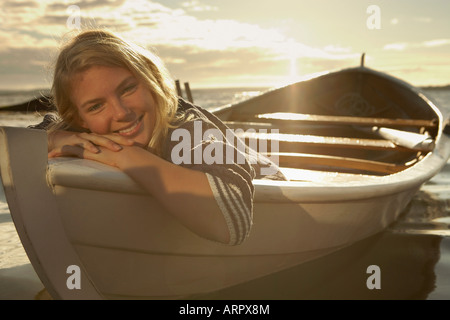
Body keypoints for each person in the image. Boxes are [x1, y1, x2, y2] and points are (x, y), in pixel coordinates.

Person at [33, 28, 285, 246]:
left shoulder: (188, 129)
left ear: (152, 79)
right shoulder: (76, 128)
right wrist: (54, 139)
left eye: (129, 88)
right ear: (79, 119)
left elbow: (234, 222)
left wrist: (129, 157)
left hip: (271, 184)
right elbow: (9, 144)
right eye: (96, 106)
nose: (121, 112)